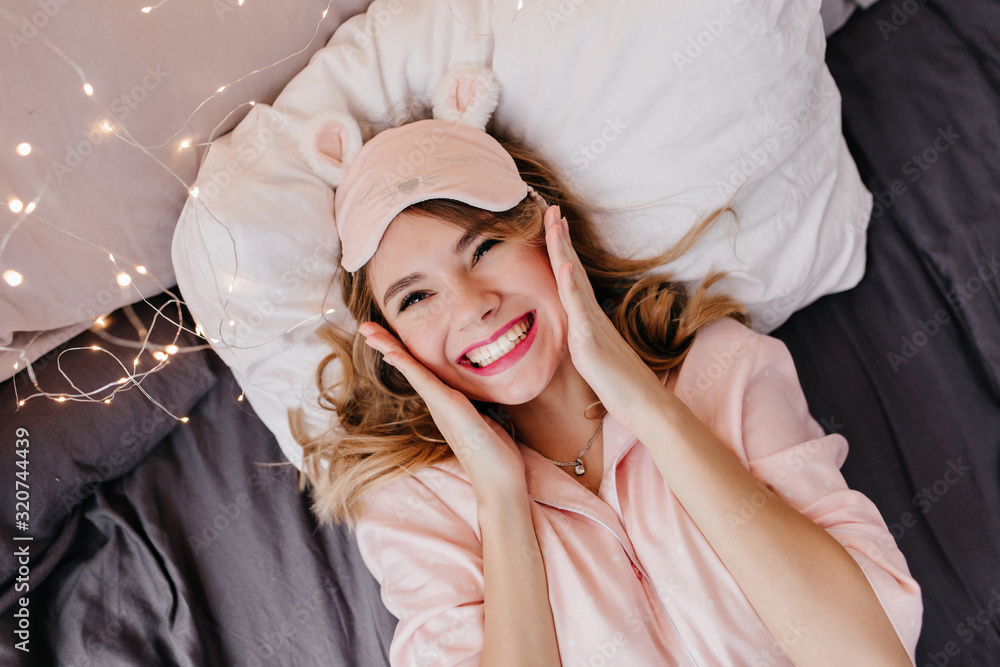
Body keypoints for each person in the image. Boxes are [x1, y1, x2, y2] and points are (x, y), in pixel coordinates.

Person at [290, 114, 923, 666]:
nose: (471, 306)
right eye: (416, 297)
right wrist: (501, 499)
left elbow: (870, 656)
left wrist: (650, 408)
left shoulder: (724, 368)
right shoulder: (418, 510)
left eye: (482, 248)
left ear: (546, 233)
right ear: (391, 343)